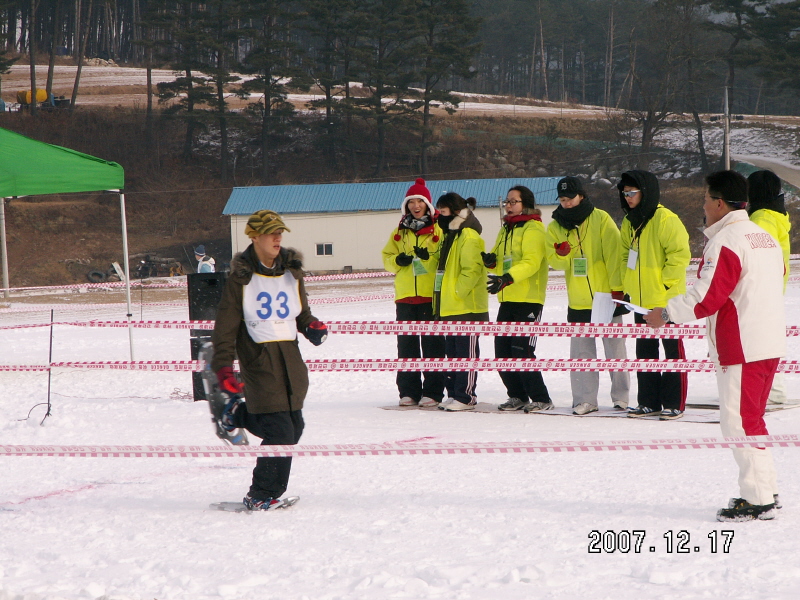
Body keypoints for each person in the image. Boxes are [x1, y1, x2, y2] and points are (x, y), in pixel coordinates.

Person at [644, 170, 785, 522]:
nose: (703, 207)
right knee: (751, 419)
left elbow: (707, 297)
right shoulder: (763, 236)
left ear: (720, 203)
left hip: (742, 345)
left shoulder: (728, 241)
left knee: (738, 422)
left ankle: (757, 500)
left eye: (706, 200)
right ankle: (764, 489)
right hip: (766, 341)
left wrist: (667, 313)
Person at [210, 209, 328, 510]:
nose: (278, 238)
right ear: (254, 237)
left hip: (291, 364)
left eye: (280, 232)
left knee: (293, 429)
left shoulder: (291, 271)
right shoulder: (240, 279)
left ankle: (237, 415)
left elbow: (300, 313)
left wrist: (311, 326)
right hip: (260, 364)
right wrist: (224, 368)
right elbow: (225, 328)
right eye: (270, 233)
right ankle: (261, 494)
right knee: (281, 431)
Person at [546, 176, 629, 415]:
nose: (567, 203)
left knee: (615, 349)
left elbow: (614, 256)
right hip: (578, 299)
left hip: (606, 296)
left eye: (570, 198)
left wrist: (617, 288)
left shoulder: (600, 219)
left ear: (581, 195)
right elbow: (554, 262)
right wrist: (561, 254)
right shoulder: (555, 225)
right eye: (562, 200)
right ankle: (585, 399)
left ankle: (621, 397)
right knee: (582, 353)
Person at [618, 170, 691, 420]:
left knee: (672, 352)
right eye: (625, 193)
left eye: (632, 192)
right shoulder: (629, 221)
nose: (628, 197)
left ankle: (674, 403)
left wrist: (664, 286)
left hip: (667, 301)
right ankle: (649, 401)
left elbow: (679, 256)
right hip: (640, 302)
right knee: (645, 352)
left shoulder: (665, 219)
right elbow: (624, 256)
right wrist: (626, 288)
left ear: (645, 192)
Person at [482, 185, 552, 412]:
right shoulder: (507, 228)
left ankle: (541, 398)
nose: (509, 206)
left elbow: (531, 262)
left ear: (526, 204)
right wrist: (490, 261)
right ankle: (517, 395)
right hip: (508, 297)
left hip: (528, 299)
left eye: (514, 202)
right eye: (507, 202)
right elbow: (501, 257)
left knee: (522, 349)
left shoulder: (534, 229)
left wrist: (508, 277)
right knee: (502, 350)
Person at [381, 178, 446, 407]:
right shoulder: (399, 232)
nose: (415, 206)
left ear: (428, 204)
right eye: (411, 202)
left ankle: (433, 391)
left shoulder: (440, 229)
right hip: (405, 296)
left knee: (433, 346)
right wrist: (397, 261)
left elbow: (445, 260)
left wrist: (430, 258)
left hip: (430, 296)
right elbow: (386, 258)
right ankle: (408, 391)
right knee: (406, 346)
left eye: (420, 201)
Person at [433, 192, 489, 411]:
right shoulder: (451, 235)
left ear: (455, 212)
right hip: (449, 305)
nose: (439, 217)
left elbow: (472, 270)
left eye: (443, 212)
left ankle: (466, 396)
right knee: (453, 353)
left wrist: (457, 292)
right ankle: (454, 392)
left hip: (466, 306)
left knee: (466, 352)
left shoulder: (469, 236)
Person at [747, 170, 791, 404]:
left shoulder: (761, 219)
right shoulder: (775, 214)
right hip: (772, 287)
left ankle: (772, 391)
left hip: (762, 288)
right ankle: (773, 389)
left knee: (760, 343)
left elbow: (757, 254)